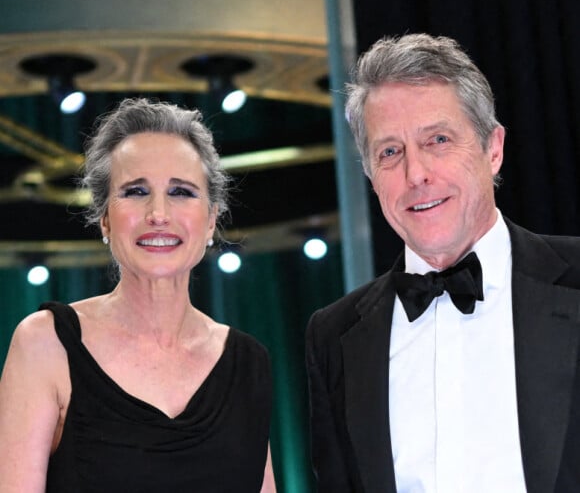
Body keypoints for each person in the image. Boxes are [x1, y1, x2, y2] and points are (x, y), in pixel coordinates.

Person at [306, 33, 580, 493]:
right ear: (371, 177)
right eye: (390, 152)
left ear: (493, 149)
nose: (416, 175)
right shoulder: (333, 337)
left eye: (437, 140)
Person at [0, 98, 276, 492]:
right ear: (105, 219)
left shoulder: (248, 362)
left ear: (212, 218)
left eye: (181, 192)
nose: (158, 213)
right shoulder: (46, 344)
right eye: (135, 191)